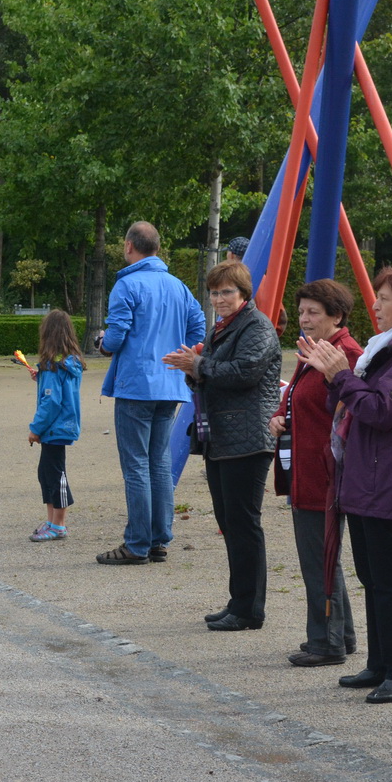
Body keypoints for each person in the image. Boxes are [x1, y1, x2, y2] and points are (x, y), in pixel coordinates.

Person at [297, 267, 392, 704]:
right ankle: (380, 662)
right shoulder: (384, 350)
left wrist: (340, 375)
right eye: (377, 297)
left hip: (388, 478)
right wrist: (332, 376)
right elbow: (346, 403)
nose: (375, 306)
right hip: (363, 475)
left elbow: (380, 411)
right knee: (372, 576)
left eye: (385, 298)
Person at [164, 262, 281, 631]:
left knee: (244, 524)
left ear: (244, 293)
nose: (219, 299)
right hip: (221, 437)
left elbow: (244, 372)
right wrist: (192, 371)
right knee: (229, 523)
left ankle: (249, 609)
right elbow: (213, 376)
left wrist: (198, 364)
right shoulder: (222, 329)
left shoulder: (257, 326)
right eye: (214, 293)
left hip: (247, 438)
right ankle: (238, 601)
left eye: (226, 292)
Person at [95, 222, 206, 566]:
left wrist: (104, 344)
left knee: (136, 466)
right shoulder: (178, 286)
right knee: (159, 463)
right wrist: (181, 354)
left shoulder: (126, 284)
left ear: (130, 246)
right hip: (170, 383)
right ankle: (160, 539)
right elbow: (199, 325)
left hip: (136, 385)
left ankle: (138, 543)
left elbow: (115, 336)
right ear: (157, 247)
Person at [271, 280, 363, 666]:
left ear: (337, 315)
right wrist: (281, 417)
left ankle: (327, 641)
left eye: (314, 312)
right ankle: (341, 633)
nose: (304, 319)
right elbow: (297, 397)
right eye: (302, 310)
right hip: (305, 466)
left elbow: (352, 412)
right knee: (319, 555)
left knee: (319, 556)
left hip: (326, 471)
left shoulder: (346, 355)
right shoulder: (315, 350)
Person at [28, 309, 83, 541]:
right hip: (62, 426)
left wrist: (35, 428)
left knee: (56, 475)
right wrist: (41, 376)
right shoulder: (67, 363)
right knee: (46, 474)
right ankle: (51, 521)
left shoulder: (54, 366)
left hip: (54, 428)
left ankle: (58, 525)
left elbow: (51, 402)